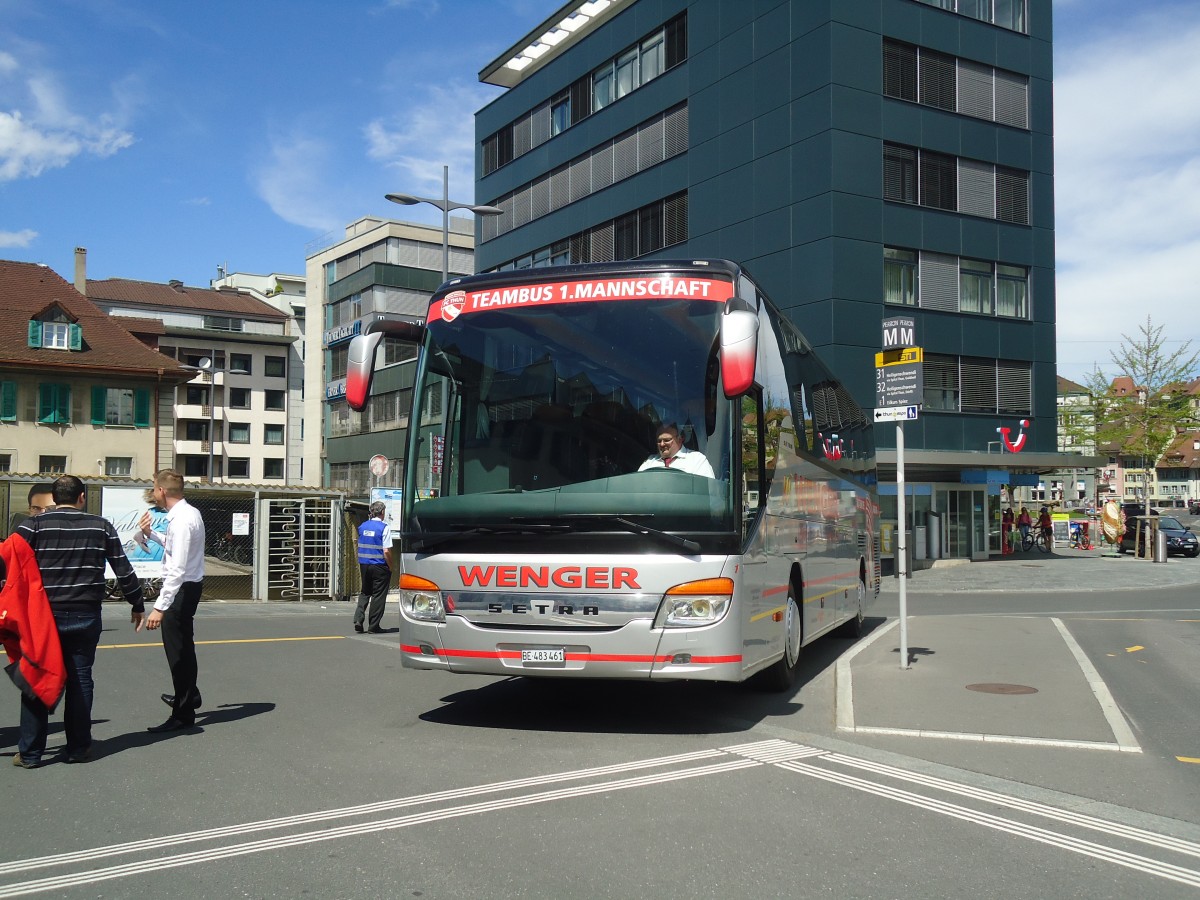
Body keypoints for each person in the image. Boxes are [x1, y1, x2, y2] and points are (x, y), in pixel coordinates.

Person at [13, 475, 144, 767]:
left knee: (36, 679)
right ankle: (78, 748)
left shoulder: (32, 525)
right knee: (80, 678)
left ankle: (31, 753)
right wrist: (137, 603)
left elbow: (7, 559)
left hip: (43, 617)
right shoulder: (101, 526)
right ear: (81, 497)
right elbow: (123, 569)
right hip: (86, 613)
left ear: (54, 497)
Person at [137, 469, 205, 734]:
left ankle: (183, 711)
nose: (153, 494)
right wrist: (151, 534)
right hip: (187, 587)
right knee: (183, 648)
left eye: (154, 489)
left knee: (178, 652)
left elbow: (176, 569)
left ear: (162, 491)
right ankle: (188, 695)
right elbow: (177, 549)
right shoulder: (188, 515)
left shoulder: (181, 520)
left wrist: (159, 608)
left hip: (182, 590)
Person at [353, 501, 393, 634]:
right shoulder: (384, 528)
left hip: (364, 564)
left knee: (365, 592)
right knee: (378, 596)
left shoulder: (362, 526)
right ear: (382, 512)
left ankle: (358, 619)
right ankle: (373, 626)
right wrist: (391, 566)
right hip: (379, 565)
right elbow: (386, 551)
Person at [637, 423, 715, 478]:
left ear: (680, 439)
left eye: (667, 440)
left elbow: (707, 492)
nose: (662, 444)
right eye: (659, 441)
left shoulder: (697, 460)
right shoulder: (649, 462)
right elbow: (637, 485)